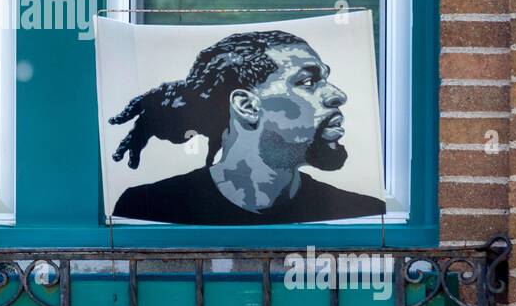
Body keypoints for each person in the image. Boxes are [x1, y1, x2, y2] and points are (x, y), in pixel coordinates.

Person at [110, 29, 385, 225]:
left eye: (325, 79)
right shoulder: (147, 210)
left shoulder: (363, 215)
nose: (338, 94)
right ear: (247, 106)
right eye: (308, 82)